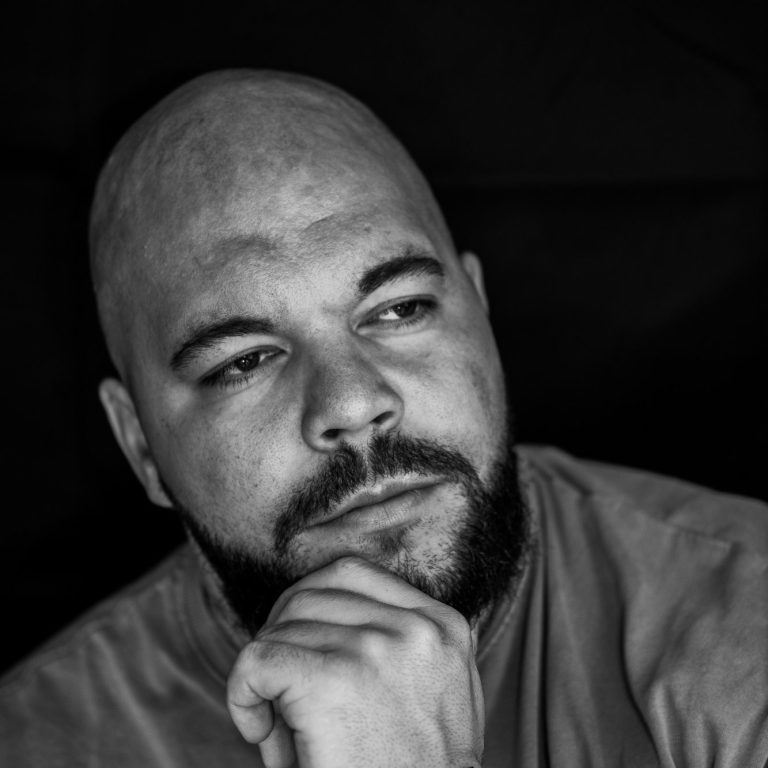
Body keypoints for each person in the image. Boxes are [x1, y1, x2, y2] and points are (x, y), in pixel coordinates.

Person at [1, 69, 766, 768]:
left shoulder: (746, 630)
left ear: (482, 317)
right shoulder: (36, 741)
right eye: (245, 360)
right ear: (140, 446)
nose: (353, 404)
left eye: (399, 309)